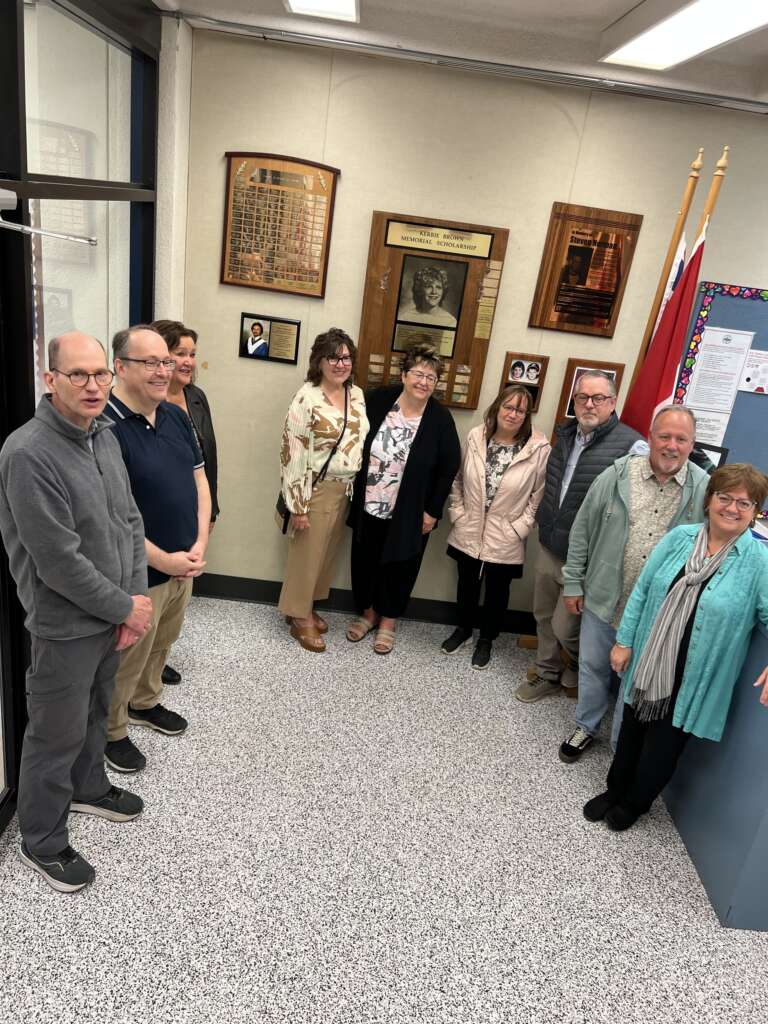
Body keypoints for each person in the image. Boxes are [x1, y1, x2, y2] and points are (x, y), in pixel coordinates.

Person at [0, 332, 152, 893]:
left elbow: (129, 522)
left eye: (100, 375)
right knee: (53, 734)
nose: (92, 386)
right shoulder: (28, 453)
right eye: (77, 375)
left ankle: (89, 786)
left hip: (114, 612)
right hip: (65, 624)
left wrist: (134, 601)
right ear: (50, 380)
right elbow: (57, 562)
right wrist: (125, 606)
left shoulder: (103, 436)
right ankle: (42, 838)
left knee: (95, 709)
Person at [584, 463, 768, 832]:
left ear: (755, 513)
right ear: (709, 500)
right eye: (725, 497)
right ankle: (614, 789)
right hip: (651, 660)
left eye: (744, 504)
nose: (732, 508)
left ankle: (635, 802)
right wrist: (624, 641)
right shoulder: (680, 538)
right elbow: (643, 590)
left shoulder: (758, 563)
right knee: (632, 728)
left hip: (694, 676)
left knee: (663, 747)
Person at [558, 406, 709, 763]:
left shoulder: (704, 489)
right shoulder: (617, 476)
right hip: (604, 596)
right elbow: (582, 530)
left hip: (658, 611)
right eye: (664, 436)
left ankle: (620, 744)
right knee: (593, 666)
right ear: (650, 438)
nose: (671, 446)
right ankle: (586, 724)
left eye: (681, 439)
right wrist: (573, 583)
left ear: (692, 444)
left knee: (635, 682)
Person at [103, 325, 211, 773]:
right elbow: (110, 516)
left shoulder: (175, 416)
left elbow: (200, 481)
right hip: (138, 568)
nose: (163, 370)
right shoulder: (105, 429)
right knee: (129, 654)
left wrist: (199, 541)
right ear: (120, 367)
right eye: (150, 362)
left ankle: (146, 703)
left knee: (163, 641)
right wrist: (163, 559)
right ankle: (111, 729)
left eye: (165, 361)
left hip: (183, 559)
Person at [514, 371, 642, 703]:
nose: (589, 404)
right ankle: (547, 671)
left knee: (565, 626)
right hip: (550, 545)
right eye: (583, 397)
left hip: (587, 559)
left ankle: (573, 664)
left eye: (599, 398)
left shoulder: (632, 444)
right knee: (542, 616)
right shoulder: (566, 434)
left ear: (613, 403)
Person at [347, 343, 461, 654]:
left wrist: (432, 510)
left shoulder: (440, 419)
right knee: (365, 559)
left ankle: (388, 621)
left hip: (410, 510)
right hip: (370, 500)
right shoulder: (378, 400)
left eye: (431, 378)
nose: (424, 382)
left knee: (401, 564)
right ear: (404, 375)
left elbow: (449, 465)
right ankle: (369, 613)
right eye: (418, 374)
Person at [441, 385, 550, 669]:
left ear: (526, 416)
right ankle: (463, 629)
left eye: (520, 410)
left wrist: (521, 528)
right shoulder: (476, 436)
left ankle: (487, 639)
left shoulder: (537, 448)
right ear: (497, 407)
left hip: (507, 534)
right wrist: (458, 513)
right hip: (470, 526)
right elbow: (457, 480)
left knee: (497, 592)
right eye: (508, 407)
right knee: (466, 584)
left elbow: (538, 496)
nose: (512, 414)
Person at [278, 328, 368, 653]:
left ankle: (306, 607)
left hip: (344, 490)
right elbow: (294, 454)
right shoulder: (307, 398)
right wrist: (298, 505)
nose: (340, 363)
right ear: (319, 361)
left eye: (345, 357)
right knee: (306, 555)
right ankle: (298, 618)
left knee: (325, 555)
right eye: (333, 357)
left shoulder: (355, 394)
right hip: (314, 489)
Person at [151, 319, 220, 688]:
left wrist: (213, 510)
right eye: (181, 353)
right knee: (156, 591)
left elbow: (209, 456)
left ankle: (158, 660)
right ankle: (144, 668)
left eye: (192, 354)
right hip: (159, 516)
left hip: (194, 508)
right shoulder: (150, 403)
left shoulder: (196, 397)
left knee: (179, 593)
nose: (189, 361)